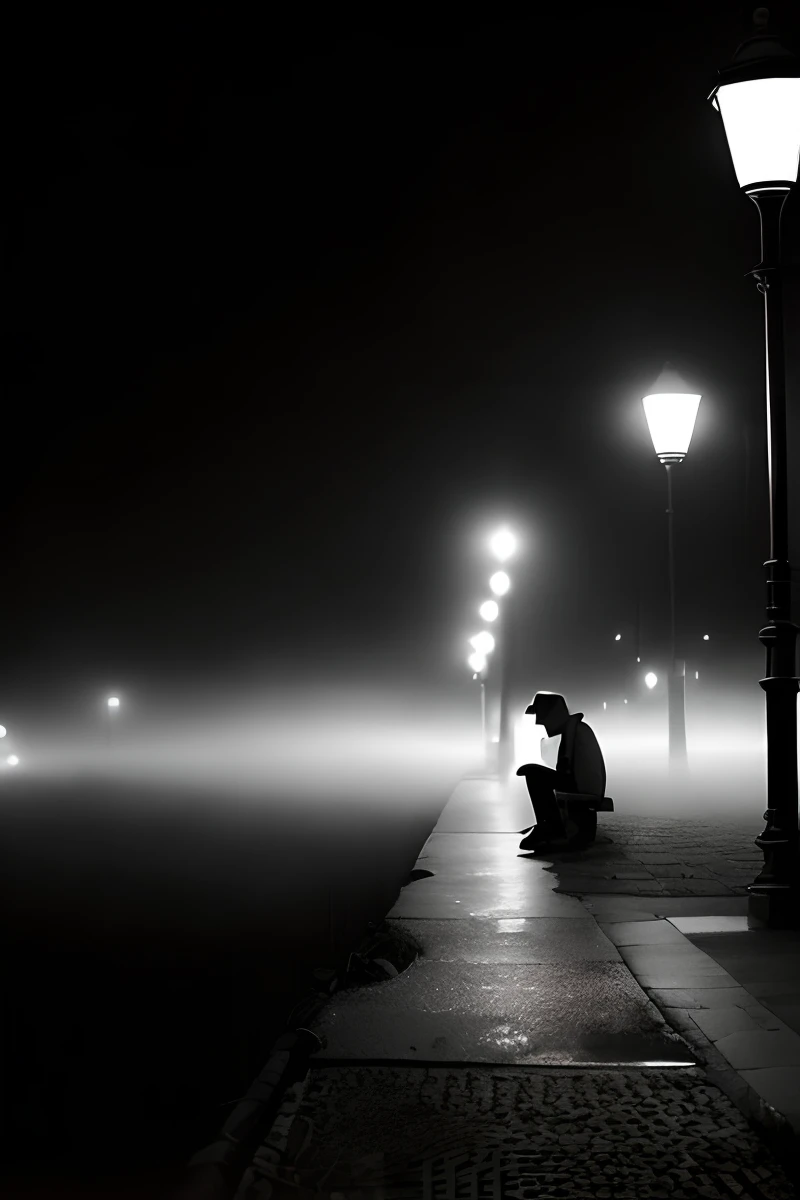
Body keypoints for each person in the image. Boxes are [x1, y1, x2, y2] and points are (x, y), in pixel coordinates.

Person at [517, 691, 605, 851]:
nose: (545, 727)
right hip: (582, 783)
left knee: (533, 775)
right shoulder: (574, 728)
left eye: (544, 722)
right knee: (536, 773)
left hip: (582, 785)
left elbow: (566, 768)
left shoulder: (573, 731)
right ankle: (549, 825)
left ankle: (551, 827)